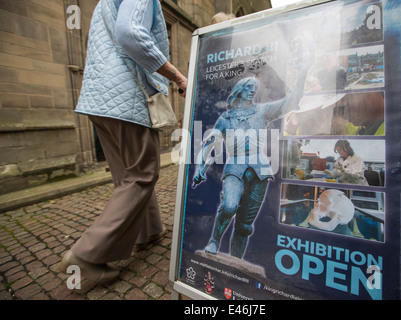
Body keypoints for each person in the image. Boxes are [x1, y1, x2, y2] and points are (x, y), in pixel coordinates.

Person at [58, 0, 187, 284]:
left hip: (97, 98)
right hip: (125, 99)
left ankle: (148, 232)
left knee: (127, 174)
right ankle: (85, 257)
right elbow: (131, 33)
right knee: (142, 173)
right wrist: (177, 77)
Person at [192, 37, 314, 258]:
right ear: (239, 90)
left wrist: (303, 71)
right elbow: (210, 143)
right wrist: (200, 167)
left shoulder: (262, 111)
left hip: (260, 168)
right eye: (248, 87)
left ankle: (236, 261)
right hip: (235, 167)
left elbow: (292, 100)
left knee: (246, 224)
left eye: (254, 88)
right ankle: (214, 241)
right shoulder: (226, 118)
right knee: (229, 206)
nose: (252, 91)